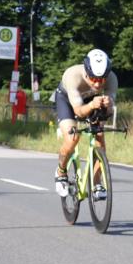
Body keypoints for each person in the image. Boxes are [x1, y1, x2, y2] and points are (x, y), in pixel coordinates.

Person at [52, 49, 118, 200]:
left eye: (101, 80)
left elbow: (108, 112)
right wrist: (92, 105)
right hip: (67, 102)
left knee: (100, 137)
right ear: (87, 71)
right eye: (93, 78)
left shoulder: (112, 78)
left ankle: (97, 183)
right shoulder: (72, 76)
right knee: (72, 138)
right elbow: (79, 112)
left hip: (92, 102)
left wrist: (108, 105)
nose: (97, 83)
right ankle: (61, 171)